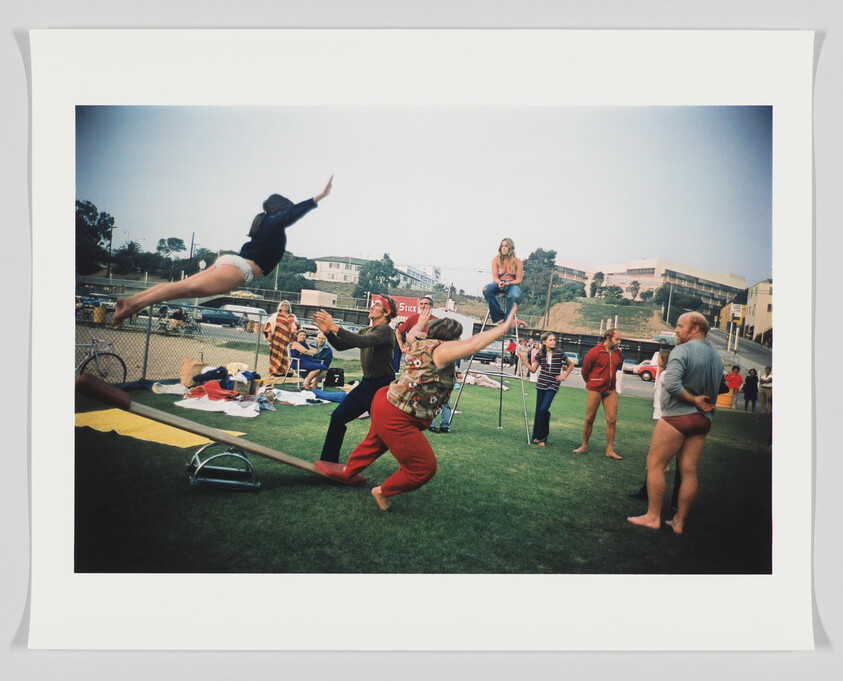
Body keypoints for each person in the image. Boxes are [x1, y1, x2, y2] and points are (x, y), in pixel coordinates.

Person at [315, 307, 519, 510]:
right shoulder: (441, 350)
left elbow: (411, 334)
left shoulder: (419, 342)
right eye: (458, 338)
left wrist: (421, 322)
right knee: (423, 468)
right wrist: (504, 328)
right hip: (398, 413)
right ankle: (382, 491)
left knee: (375, 443)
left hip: (386, 401)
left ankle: (349, 472)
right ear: (451, 338)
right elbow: (474, 345)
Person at [112, 176, 333, 327]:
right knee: (187, 290)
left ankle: (131, 299)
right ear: (281, 209)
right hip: (241, 269)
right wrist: (318, 197)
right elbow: (290, 215)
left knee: (180, 285)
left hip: (230, 261)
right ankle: (134, 306)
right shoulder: (274, 223)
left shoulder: (263, 222)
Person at [627, 312, 722, 534]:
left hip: (677, 417)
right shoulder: (716, 357)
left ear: (696, 328)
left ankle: (653, 516)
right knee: (689, 472)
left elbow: (671, 384)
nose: (676, 331)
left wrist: (693, 399)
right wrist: (700, 403)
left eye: (680, 326)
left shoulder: (682, 350)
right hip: (703, 421)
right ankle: (679, 522)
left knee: (655, 465)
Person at [313, 295, 397, 464]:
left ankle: (411, 464)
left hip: (383, 388)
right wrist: (328, 332)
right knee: (337, 417)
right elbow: (340, 345)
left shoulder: (386, 330)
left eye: (377, 305)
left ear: (387, 312)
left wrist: (335, 327)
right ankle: (328, 461)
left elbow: (363, 342)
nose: (372, 307)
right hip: (366, 385)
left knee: (387, 432)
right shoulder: (366, 330)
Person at [628, 349, 681, 506]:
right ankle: (646, 490)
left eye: (658, 358)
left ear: (663, 359)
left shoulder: (666, 375)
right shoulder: (662, 373)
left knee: (656, 456)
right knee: (655, 456)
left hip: (663, 416)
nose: (656, 360)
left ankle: (649, 492)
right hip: (660, 414)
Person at [573, 328, 624, 459]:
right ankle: (584, 446)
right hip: (595, 388)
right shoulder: (595, 352)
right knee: (590, 418)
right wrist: (593, 383)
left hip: (610, 389)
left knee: (612, 420)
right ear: (608, 338)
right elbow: (585, 371)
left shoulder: (618, 353)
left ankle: (609, 450)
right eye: (617, 339)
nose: (619, 341)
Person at [528, 332, 575, 446]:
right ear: (544, 342)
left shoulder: (559, 353)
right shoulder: (540, 354)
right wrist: (524, 361)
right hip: (541, 384)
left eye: (554, 340)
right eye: (550, 340)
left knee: (544, 409)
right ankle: (536, 438)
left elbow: (571, 364)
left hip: (553, 385)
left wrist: (563, 376)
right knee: (538, 411)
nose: (553, 342)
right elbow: (533, 370)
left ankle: (542, 437)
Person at [482, 238, 523, 324]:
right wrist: (499, 282)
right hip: (499, 283)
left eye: (506, 246)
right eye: (502, 246)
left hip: (512, 284)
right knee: (486, 289)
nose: (503, 248)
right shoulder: (496, 260)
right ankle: (499, 317)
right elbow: (495, 277)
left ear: (510, 248)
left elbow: (519, 280)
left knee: (515, 295)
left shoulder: (518, 261)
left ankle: (507, 322)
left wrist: (509, 283)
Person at [262, 300, 298, 380]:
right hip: (277, 340)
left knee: (287, 356)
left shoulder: (293, 316)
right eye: (283, 305)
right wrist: (269, 335)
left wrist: (297, 325)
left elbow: (298, 328)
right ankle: (274, 372)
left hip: (289, 341)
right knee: (275, 356)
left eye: (287, 305)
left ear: (289, 307)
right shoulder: (275, 316)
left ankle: (286, 372)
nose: (285, 306)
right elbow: (269, 324)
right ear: (280, 307)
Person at [395, 295, 437, 361]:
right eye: (421, 304)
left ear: (431, 306)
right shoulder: (413, 318)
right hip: (414, 355)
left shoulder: (436, 321)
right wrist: (402, 348)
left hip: (429, 356)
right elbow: (398, 331)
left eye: (426, 304)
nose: (423, 306)